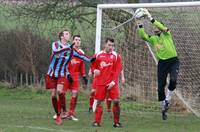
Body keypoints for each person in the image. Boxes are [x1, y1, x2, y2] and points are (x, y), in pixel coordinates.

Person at [136, 9, 180, 120]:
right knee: (160, 87)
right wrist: (139, 22)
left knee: (173, 81)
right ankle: (163, 108)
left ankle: (167, 100)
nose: (155, 28)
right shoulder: (154, 39)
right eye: (154, 27)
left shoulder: (167, 33)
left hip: (173, 61)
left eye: (157, 26)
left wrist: (150, 17)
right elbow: (143, 36)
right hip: (162, 64)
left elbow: (160, 26)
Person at [45, 30, 94, 125]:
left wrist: (91, 59)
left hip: (62, 73)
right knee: (53, 95)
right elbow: (56, 52)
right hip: (51, 73)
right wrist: (68, 49)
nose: (69, 35)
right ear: (62, 36)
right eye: (67, 34)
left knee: (60, 91)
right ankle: (58, 114)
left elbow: (81, 56)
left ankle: (63, 112)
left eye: (69, 34)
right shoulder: (55, 44)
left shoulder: (70, 49)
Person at [91, 37, 123, 128]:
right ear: (105, 44)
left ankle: (116, 123)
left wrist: (113, 82)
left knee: (116, 101)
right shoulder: (98, 55)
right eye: (109, 45)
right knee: (99, 102)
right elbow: (93, 66)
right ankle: (97, 122)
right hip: (101, 82)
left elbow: (118, 70)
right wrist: (94, 71)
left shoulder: (116, 56)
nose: (111, 47)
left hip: (112, 83)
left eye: (112, 45)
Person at [64, 35, 88, 121]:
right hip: (66, 75)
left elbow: (81, 66)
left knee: (74, 94)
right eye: (76, 40)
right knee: (62, 93)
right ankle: (60, 113)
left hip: (75, 77)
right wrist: (67, 74)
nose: (78, 41)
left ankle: (71, 114)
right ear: (73, 41)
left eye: (79, 40)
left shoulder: (81, 53)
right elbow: (64, 64)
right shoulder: (68, 50)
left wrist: (84, 76)